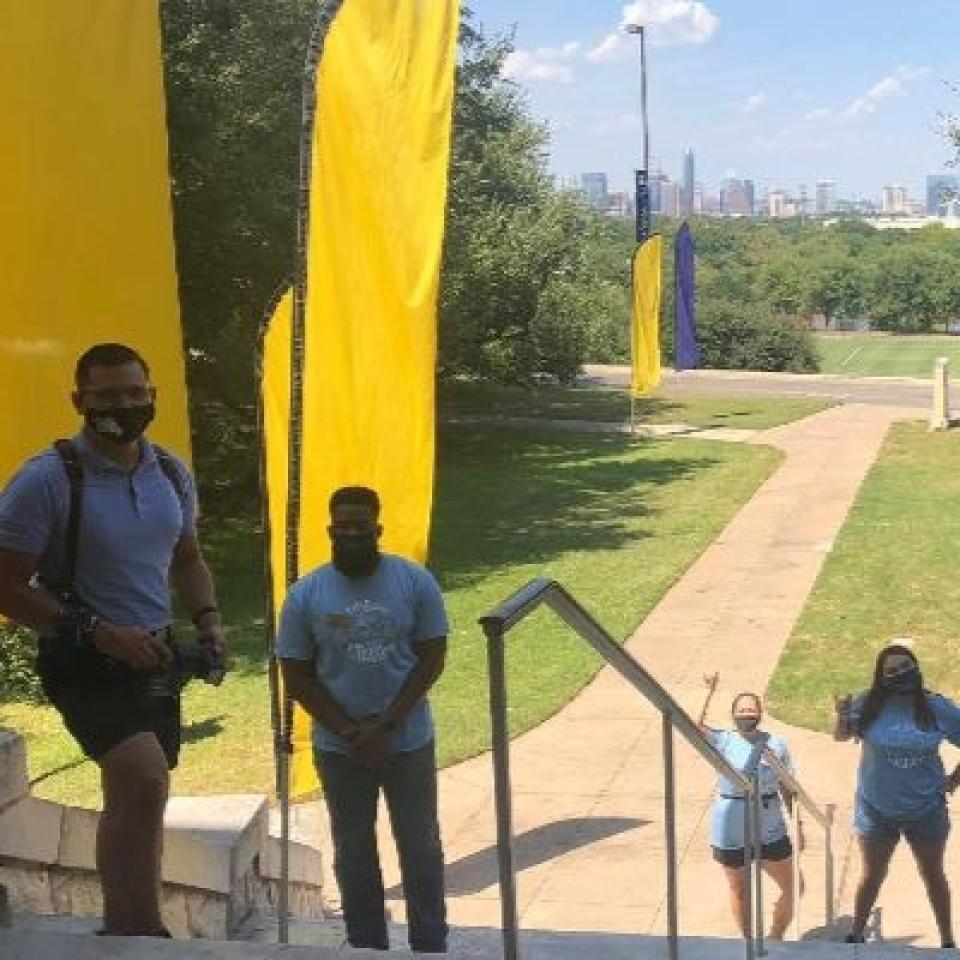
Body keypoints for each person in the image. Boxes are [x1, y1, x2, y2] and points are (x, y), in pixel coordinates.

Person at [0, 343, 225, 937]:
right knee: (143, 776)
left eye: (134, 393)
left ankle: (125, 928)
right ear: (79, 401)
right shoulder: (46, 480)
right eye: (106, 396)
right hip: (81, 654)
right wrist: (97, 632)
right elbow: (4, 584)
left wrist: (207, 620)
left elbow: (189, 558)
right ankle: (140, 930)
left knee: (139, 791)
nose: (123, 406)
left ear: (152, 395)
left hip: (154, 656)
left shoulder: (172, 472)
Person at [277, 485, 449, 953]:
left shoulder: (415, 582)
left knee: (420, 846)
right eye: (342, 527)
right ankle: (367, 946)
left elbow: (432, 656)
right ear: (330, 530)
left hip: (408, 741)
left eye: (361, 527)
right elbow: (295, 672)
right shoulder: (306, 593)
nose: (351, 535)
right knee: (353, 853)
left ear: (378, 529)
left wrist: (387, 725)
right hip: (341, 748)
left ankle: (430, 944)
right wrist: (350, 730)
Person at [834, 643, 960, 947]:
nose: (901, 673)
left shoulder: (937, 707)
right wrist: (841, 715)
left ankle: (947, 942)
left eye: (906, 666)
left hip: (926, 811)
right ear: (882, 677)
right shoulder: (868, 704)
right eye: (892, 670)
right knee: (872, 876)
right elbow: (841, 736)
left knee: (933, 876)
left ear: (916, 668)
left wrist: (954, 780)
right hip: (876, 811)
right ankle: (856, 934)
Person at [699, 677, 797, 941]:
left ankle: (775, 937)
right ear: (733, 715)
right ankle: (748, 943)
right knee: (739, 888)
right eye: (742, 710)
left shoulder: (777, 743)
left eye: (751, 710)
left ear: (760, 713)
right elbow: (693, 727)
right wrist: (708, 692)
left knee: (793, 886)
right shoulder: (723, 740)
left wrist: (797, 824)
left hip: (769, 821)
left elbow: (788, 786)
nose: (747, 714)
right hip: (731, 821)